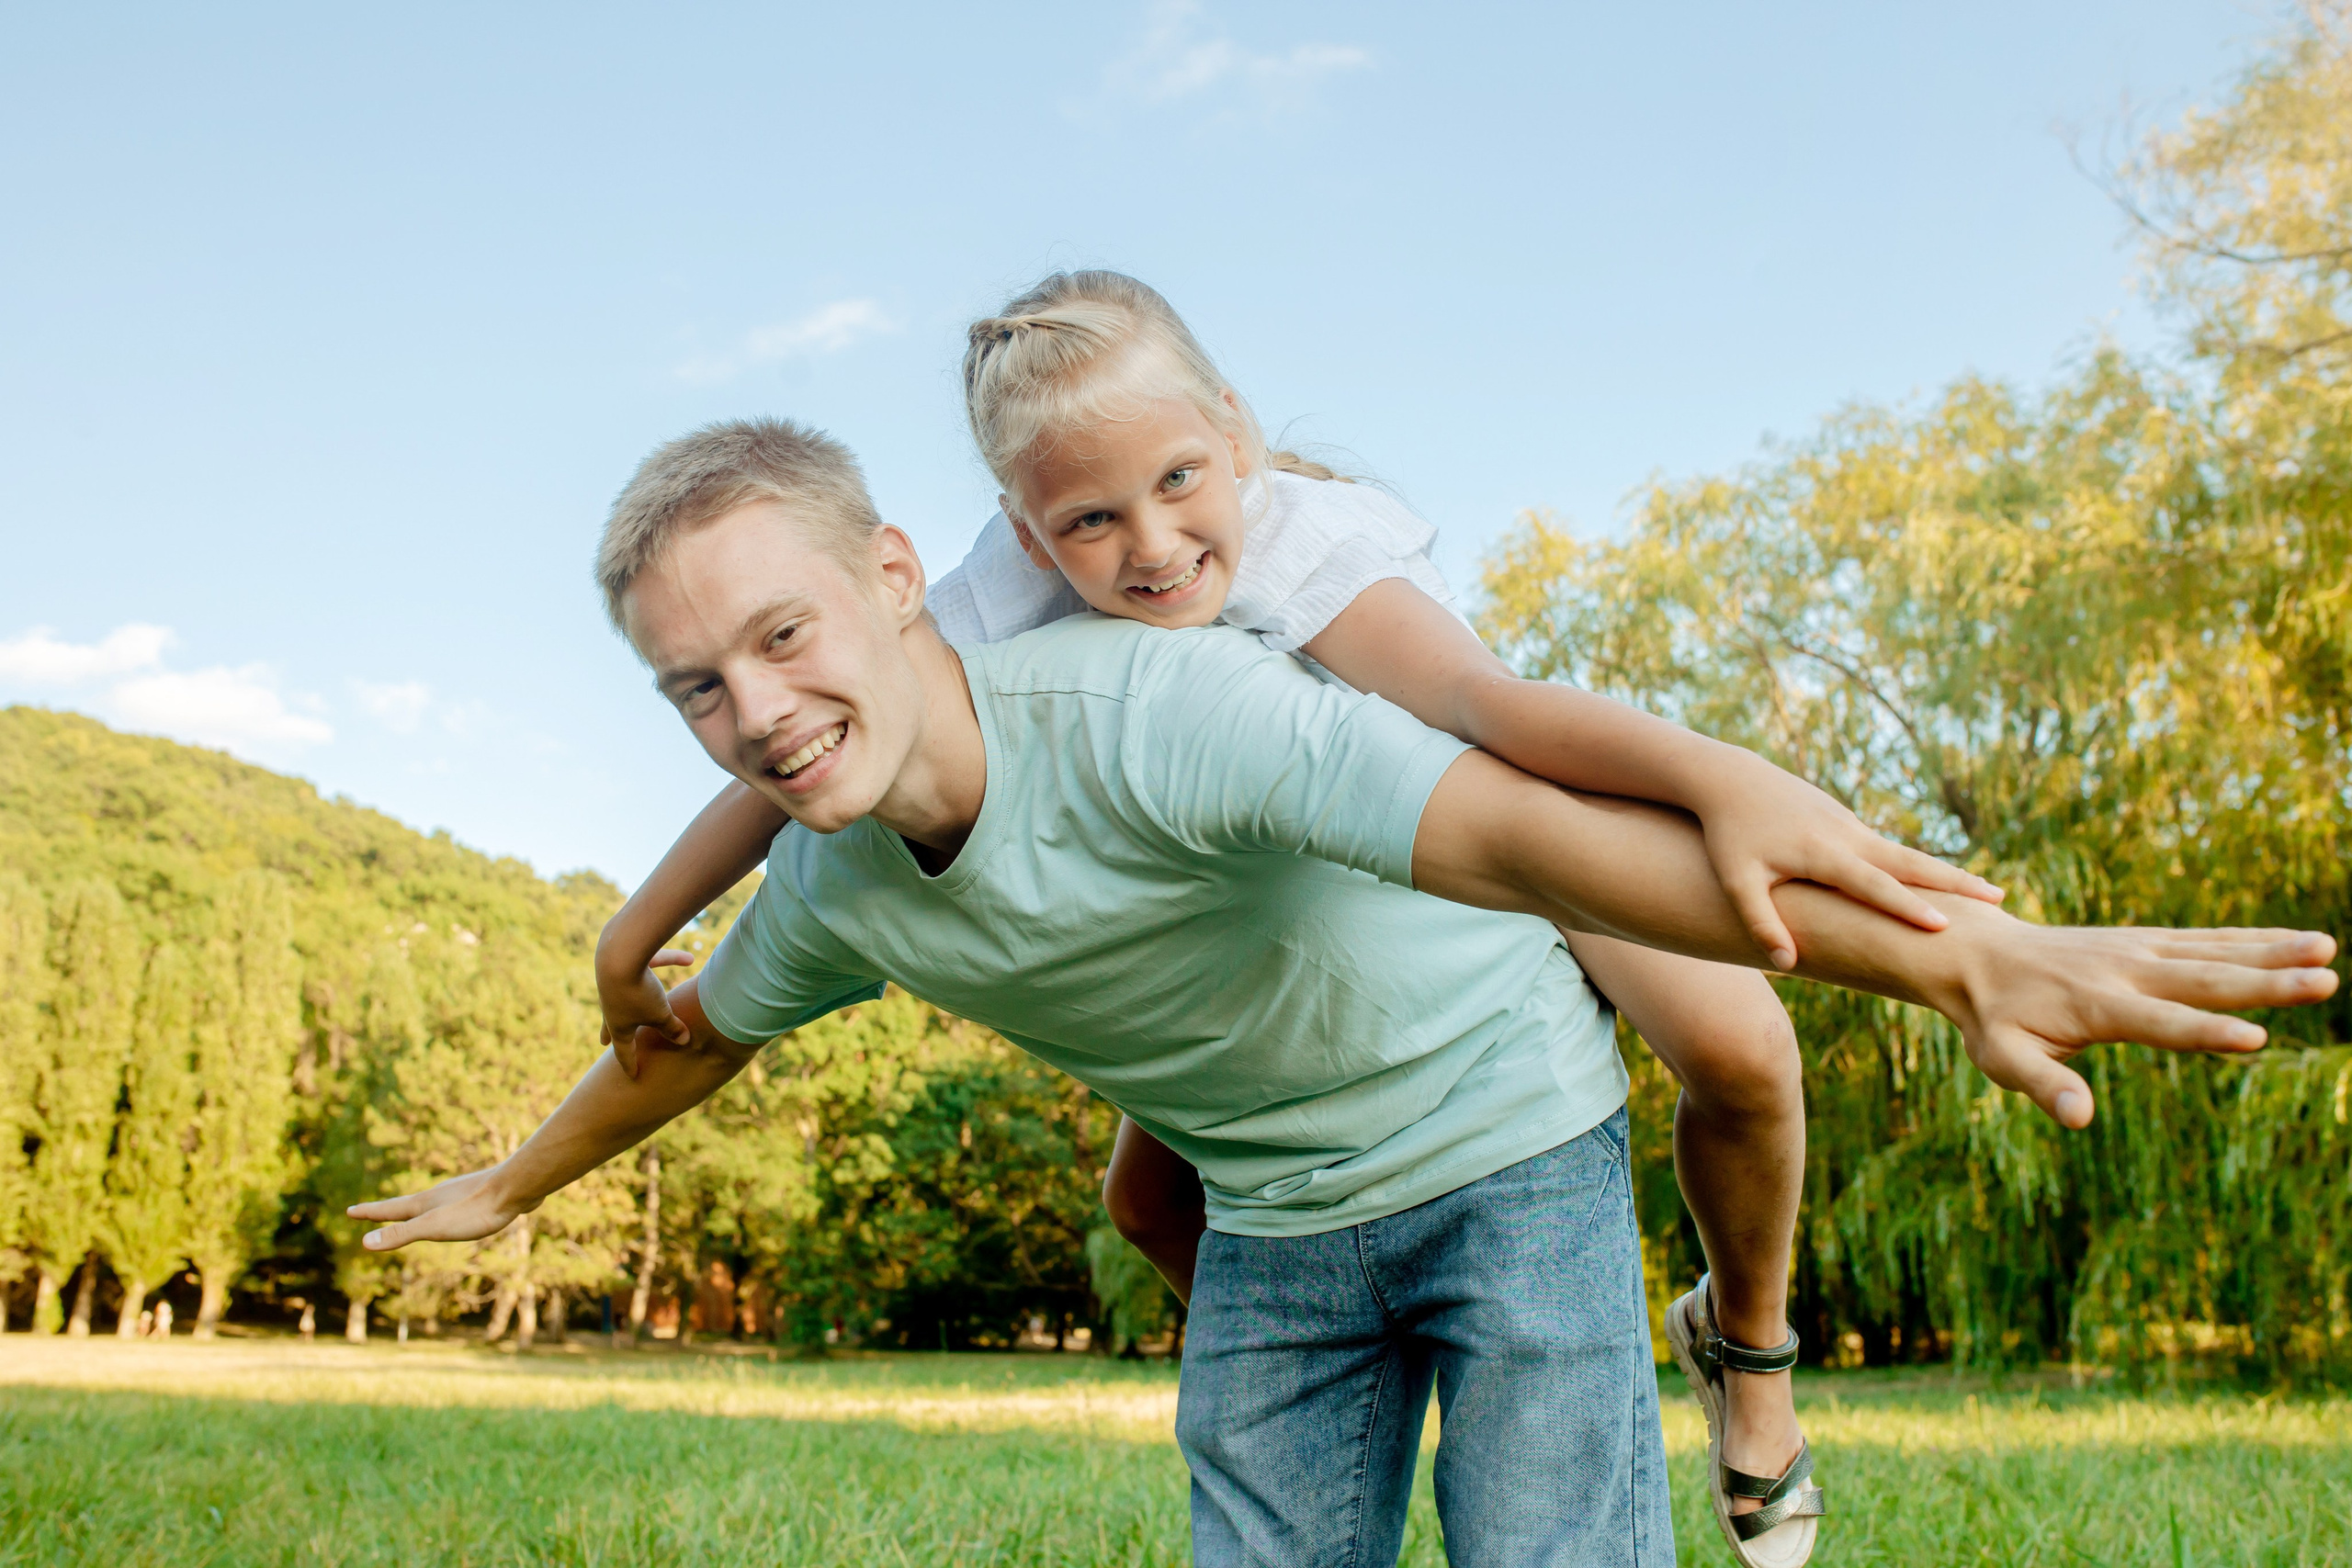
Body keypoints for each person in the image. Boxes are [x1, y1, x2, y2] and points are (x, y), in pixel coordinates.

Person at [353, 417, 2335, 1568]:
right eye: (697, 686)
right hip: (1282, 1220)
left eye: (781, 636)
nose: (754, 710)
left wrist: (1952, 951)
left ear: (892, 575)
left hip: (1505, 1136)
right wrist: (510, 1184)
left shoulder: (1180, 707)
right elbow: (687, 1043)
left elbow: (1551, 842)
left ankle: (1751, 1355)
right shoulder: (836, 883)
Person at [593, 271, 2005, 1565]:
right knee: (1144, 1197)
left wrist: (1725, 783)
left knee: (1745, 1050)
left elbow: (1491, 715)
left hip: (1481, 828)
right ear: (1026, 526)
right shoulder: (1000, 588)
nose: (1150, 550)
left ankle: (1748, 1359)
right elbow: (805, 747)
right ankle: (1329, 1375)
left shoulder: (1308, 548)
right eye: (1091, 520)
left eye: (1181, 483)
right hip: (1278, 908)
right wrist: (637, 928)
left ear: (1236, 434)